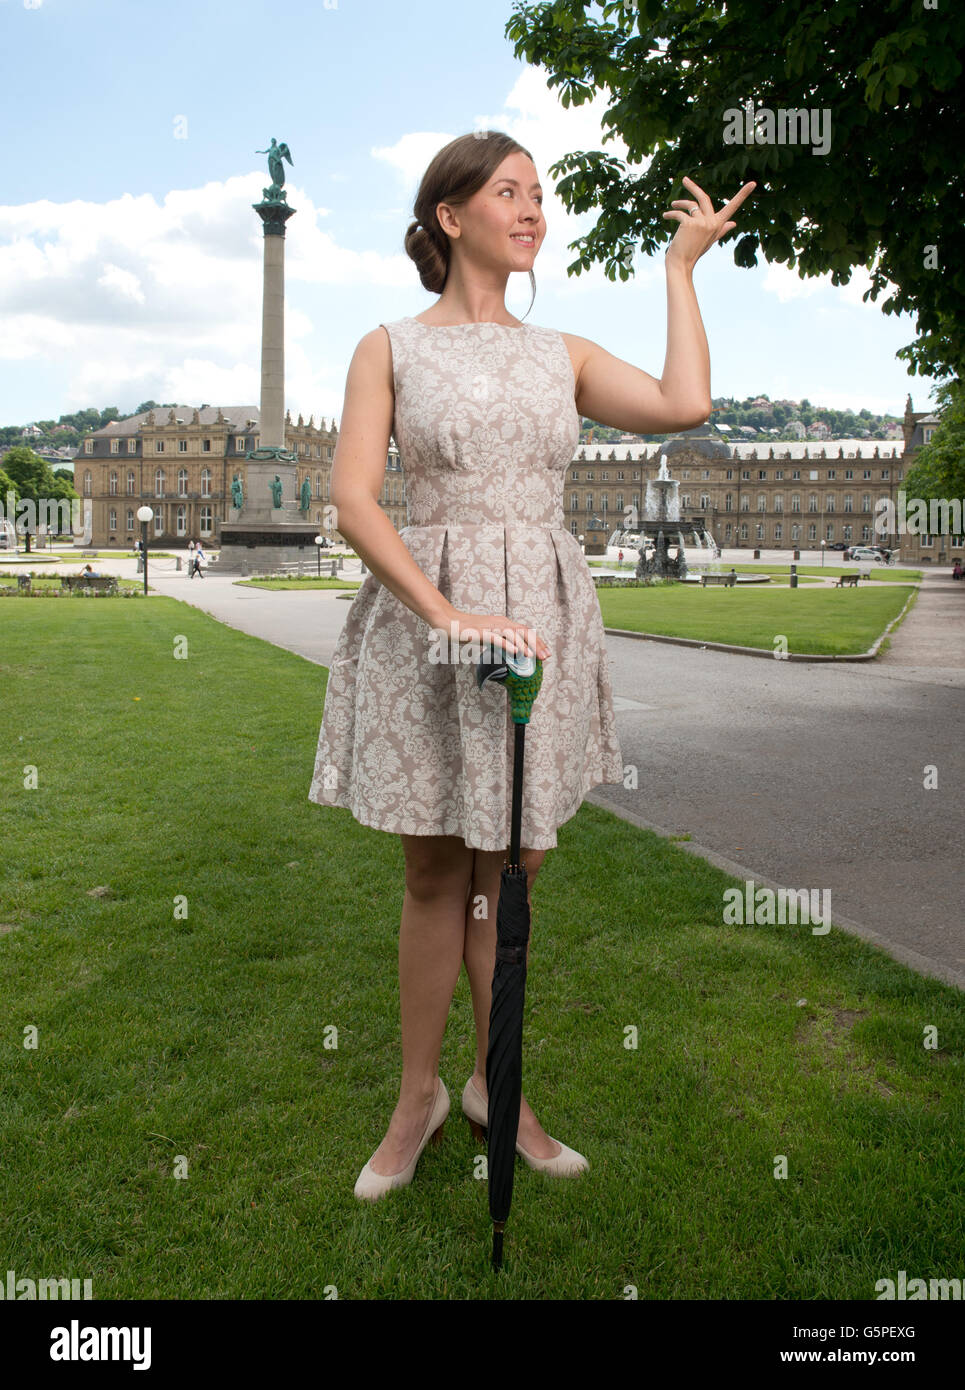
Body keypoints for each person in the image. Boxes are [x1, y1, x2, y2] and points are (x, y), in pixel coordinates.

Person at [307, 130, 754, 1201]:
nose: (531, 210)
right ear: (449, 216)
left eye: (538, 196)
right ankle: (415, 1096)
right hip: (431, 617)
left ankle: (493, 1089)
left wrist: (680, 270)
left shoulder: (561, 353)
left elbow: (684, 405)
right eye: (508, 192)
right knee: (432, 875)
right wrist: (447, 610)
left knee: (509, 882)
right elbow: (356, 499)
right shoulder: (388, 348)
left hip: (544, 621)